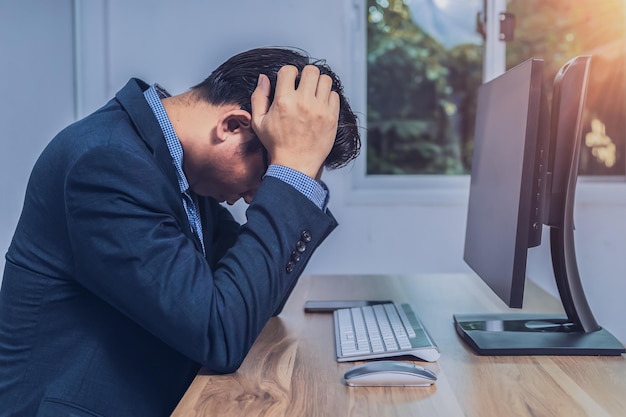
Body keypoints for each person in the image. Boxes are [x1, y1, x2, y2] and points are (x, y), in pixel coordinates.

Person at [0, 47, 360, 417]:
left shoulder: (174, 165)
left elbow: (257, 301)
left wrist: (299, 170)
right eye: (265, 176)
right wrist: (293, 177)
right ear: (234, 126)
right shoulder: (106, 165)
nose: (257, 197)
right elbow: (220, 331)